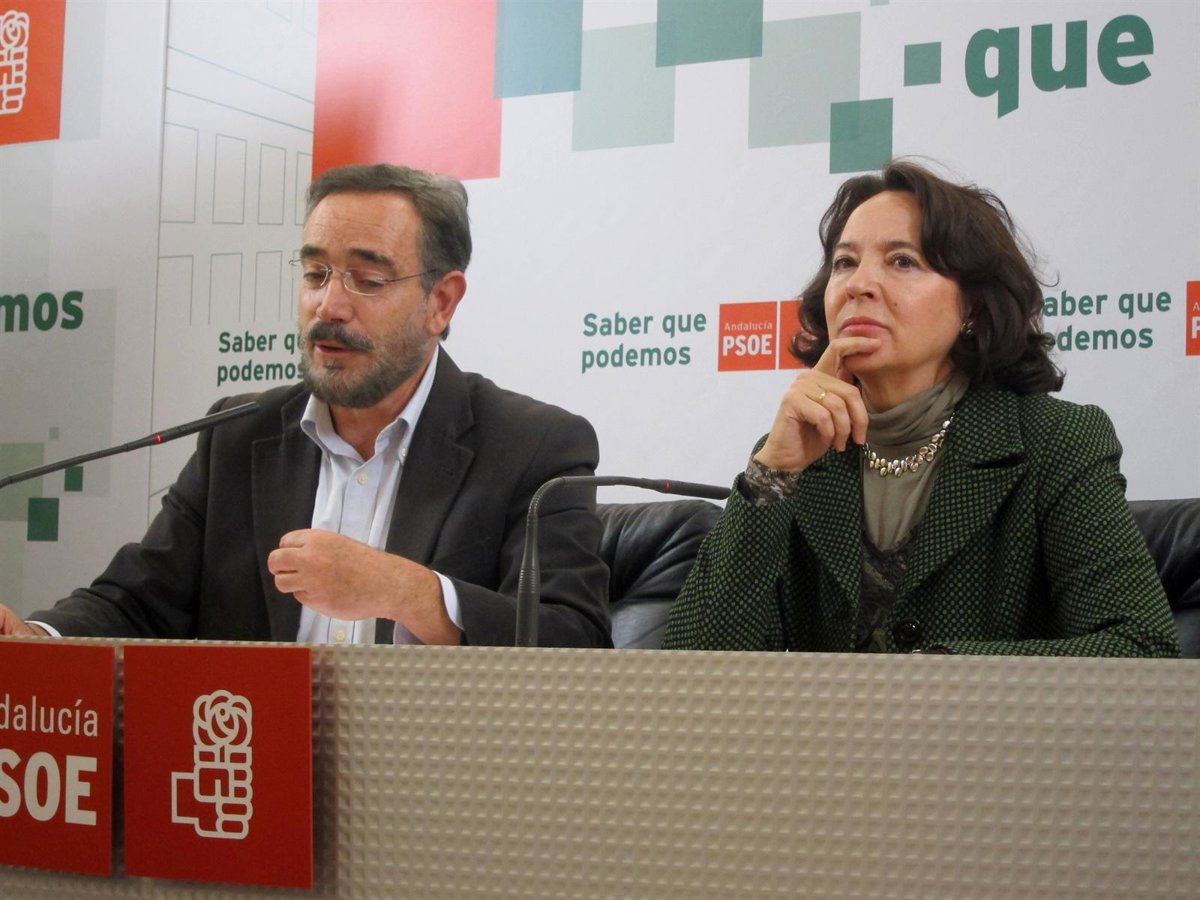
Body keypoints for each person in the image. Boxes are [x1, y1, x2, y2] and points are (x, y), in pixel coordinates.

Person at [0, 163, 610, 647]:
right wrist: (35, 639)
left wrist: (409, 593)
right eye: (316, 273)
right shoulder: (239, 434)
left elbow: (574, 639)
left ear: (441, 302)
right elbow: (137, 603)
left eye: (367, 280)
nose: (329, 306)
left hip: (436, 765)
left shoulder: (532, 446)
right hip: (252, 758)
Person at [664, 160, 1179, 657]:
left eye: (902, 261)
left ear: (972, 304)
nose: (859, 284)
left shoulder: (1056, 441)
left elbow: (1139, 648)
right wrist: (771, 474)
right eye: (845, 263)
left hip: (980, 722)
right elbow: (693, 669)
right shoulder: (802, 450)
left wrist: (934, 680)